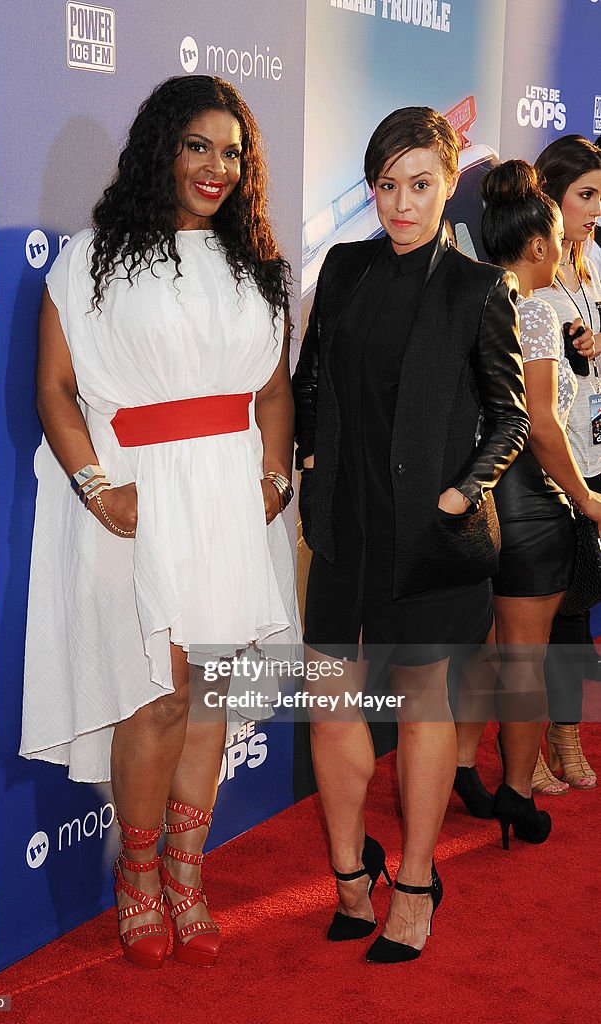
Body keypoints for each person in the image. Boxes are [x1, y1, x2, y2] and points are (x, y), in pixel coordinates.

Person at [20, 75, 299, 970]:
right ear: (160, 149)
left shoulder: (254, 263)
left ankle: (188, 874)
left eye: (232, 152)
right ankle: (136, 881)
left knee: (209, 693)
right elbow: (55, 391)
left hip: (227, 492)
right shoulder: (90, 259)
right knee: (161, 693)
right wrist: (98, 486)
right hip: (136, 500)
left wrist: (273, 473)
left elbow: (273, 389)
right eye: (198, 146)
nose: (217, 168)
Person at [292, 106, 529, 963]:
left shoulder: (477, 289)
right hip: (345, 528)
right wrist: (312, 460)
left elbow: (508, 417)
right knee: (330, 706)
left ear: (448, 182)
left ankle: (420, 879)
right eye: (386, 185)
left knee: (424, 714)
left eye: (419, 184)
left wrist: (465, 492)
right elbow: (309, 379)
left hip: (432, 538)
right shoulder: (345, 270)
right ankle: (351, 874)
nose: (401, 203)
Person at [454, 162, 601, 824]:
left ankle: (459, 768)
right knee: (522, 664)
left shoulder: (469, 299)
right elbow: (539, 426)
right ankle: (516, 794)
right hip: (529, 506)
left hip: (474, 504)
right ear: (539, 244)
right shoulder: (535, 310)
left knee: (486, 655)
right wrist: (586, 499)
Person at [534, 135, 601, 791]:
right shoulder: (527, 276)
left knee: (577, 609)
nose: (593, 211)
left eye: (598, 196)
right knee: (534, 615)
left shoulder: (594, 262)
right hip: (549, 470)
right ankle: (526, 747)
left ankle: (564, 735)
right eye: (584, 196)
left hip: (594, 457)